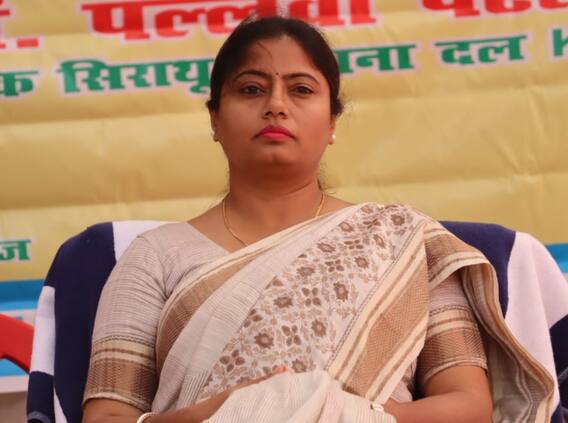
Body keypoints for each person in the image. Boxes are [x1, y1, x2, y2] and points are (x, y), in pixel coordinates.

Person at [82, 16, 552, 423]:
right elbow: (106, 416)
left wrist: (341, 413)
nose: (276, 105)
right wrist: (217, 415)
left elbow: (468, 407)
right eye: (251, 89)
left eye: (301, 89)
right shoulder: (155, 256)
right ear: (215, 119)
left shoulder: (402, 241)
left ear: (331, 123)